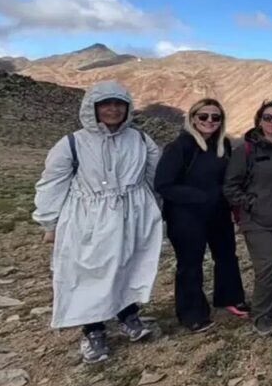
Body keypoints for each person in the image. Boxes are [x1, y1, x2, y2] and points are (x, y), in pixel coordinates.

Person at [33, 81, 162, 363]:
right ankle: (93, 331)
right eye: (106, 104)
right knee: (88, 271)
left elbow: (156, 175)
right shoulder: (72, 143)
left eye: (119, 104)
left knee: (128, 263)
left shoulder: (140, 140)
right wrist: (49, 222)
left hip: (132, 212)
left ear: (127, 108)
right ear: (93, 108)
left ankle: (128, 315)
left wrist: (158, 207)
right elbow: (52, 182)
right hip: (88, 217)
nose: (113, 110)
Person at [154, 99, 248, 333]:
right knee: (190, 264)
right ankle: (192, 313)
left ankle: (229, 298)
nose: (209, 121)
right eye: (203, 116)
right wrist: (200, 196)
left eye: (215, 117)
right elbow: (163, 184)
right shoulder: (179, 147)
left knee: (227, 256)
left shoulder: (223, 145)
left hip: (218, 213)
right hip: (185, 217)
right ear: (193, 118)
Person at [223, 101, 272, 336]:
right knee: (267, 265)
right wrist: (251, 203)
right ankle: (260, 314)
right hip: (256, 220)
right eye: (268, 117)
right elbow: (230, 186)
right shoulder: (246, 150)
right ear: (259, 120)